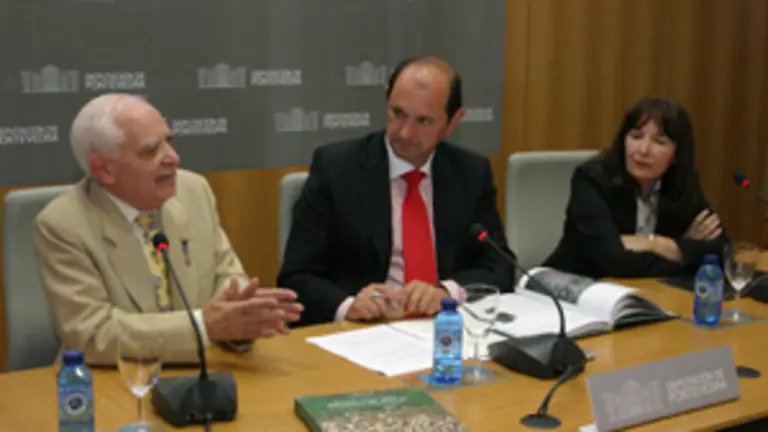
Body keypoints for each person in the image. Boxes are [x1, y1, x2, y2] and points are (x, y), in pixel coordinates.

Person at [34, 93, 303, 365]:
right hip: (114, 376)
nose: (173, 158)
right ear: (105, 170)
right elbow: (92, 335)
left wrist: (242, 316)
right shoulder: (63, 225)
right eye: (151, 151)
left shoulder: (193, 191)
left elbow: (226, 276)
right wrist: (203, 327)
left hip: (205, 369)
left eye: (169, 142)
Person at [278, 56, 515, 327]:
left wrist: (446, 292)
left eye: (424, 121)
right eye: (398, 113)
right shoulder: (336, 168)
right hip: (363, 330)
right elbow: (296, 277)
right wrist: (348, 305)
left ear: (452, 122)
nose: (405, 132)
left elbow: (500, 267)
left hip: (440, 326)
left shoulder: (470, 172)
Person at [543, 96, 727, 279]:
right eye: (636, 137)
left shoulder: (681, 185)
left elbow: (722, 251)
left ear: (676, 155)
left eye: (659, 142)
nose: (643, 150)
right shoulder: (592, 179)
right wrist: (684, 250)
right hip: (570, 285)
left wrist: (655, 243)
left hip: (639, 289)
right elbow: (613, 262)